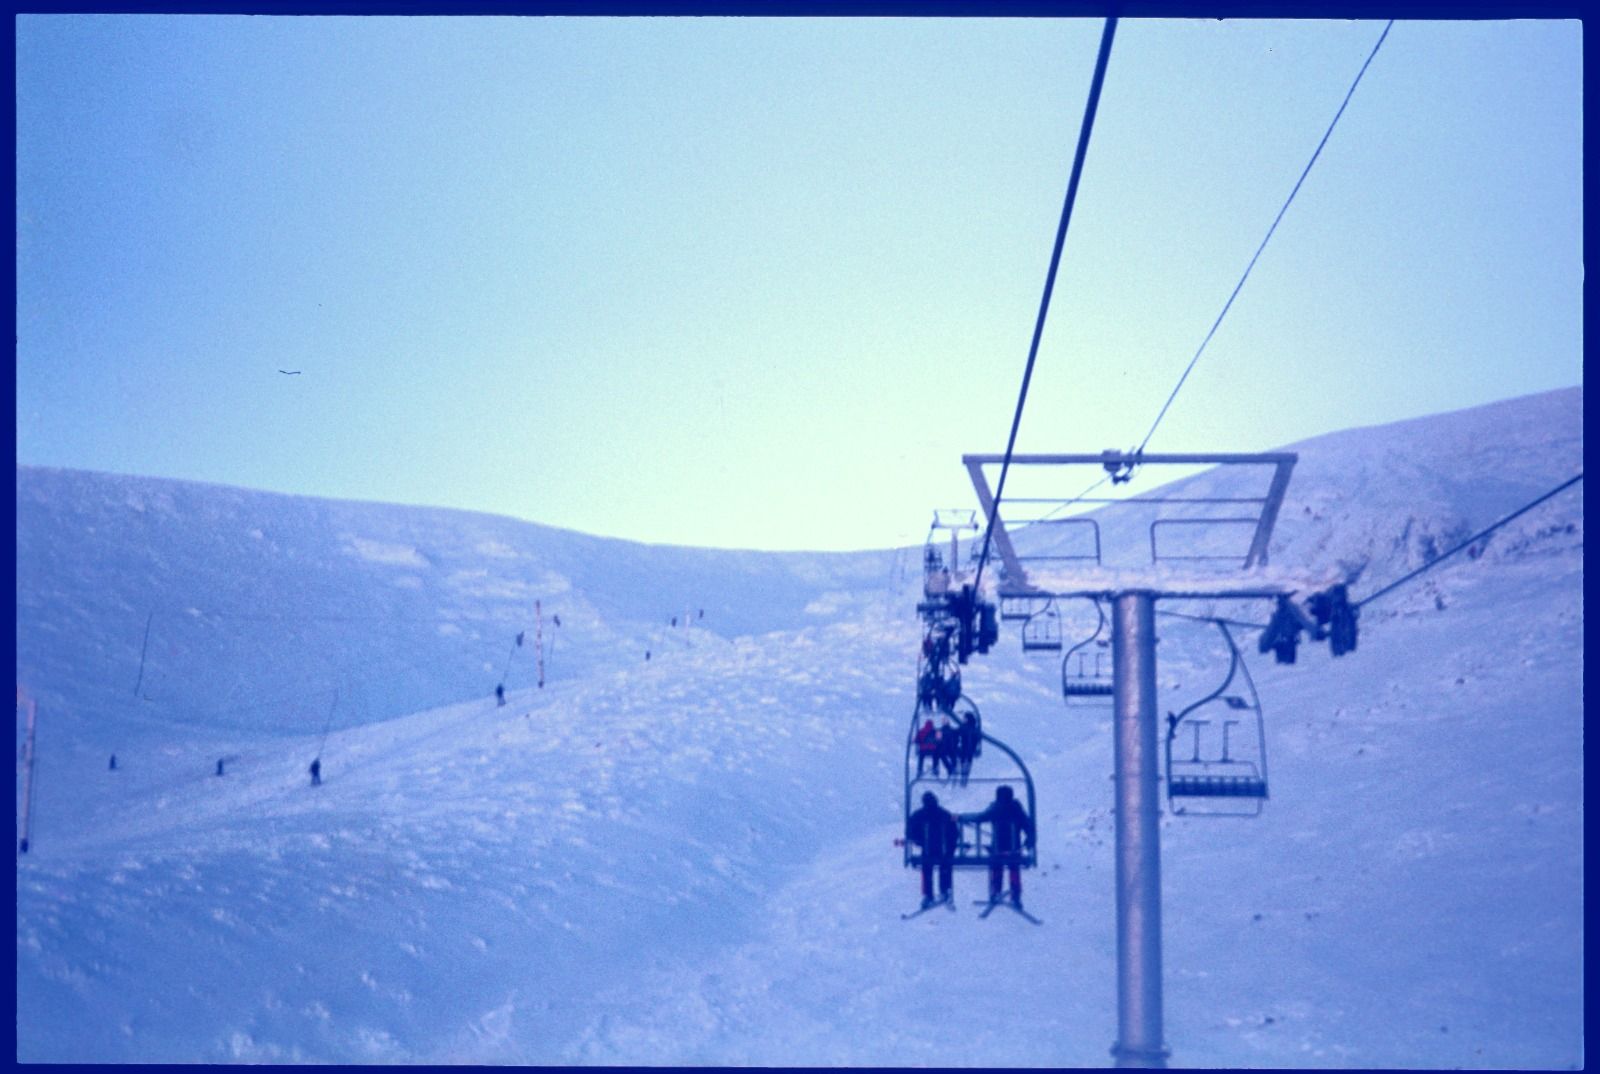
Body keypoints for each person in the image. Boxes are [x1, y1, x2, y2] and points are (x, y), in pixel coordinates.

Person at [970, 785, 1034, 905]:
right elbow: (1028, 825)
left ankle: (995, 892)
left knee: (996, 868)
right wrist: (1029, 841)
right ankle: (1015, 895)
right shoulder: (1017, 809)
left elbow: (980, 817)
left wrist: (961, 817)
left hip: (998, 847)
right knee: (1014, 869)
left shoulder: (995, 808)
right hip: (1015, 847)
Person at [905, 791, 960, 908]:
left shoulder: (919, 815)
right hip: (944, 850)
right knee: (945, 866)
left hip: (928, 849)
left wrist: (919, 842)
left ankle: (928, 895)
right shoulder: (945, 814)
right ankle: (945, 890)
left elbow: (910, 832)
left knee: (926, 869)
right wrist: (951, 848)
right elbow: (955, 833)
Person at [957, 710, 981, 786]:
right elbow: (978, 738)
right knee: (968, 762)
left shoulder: (963, 727)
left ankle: (963, 778)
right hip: (971, 749)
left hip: (964, 748)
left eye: (964, 718)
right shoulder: (975, 728)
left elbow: (957, 733)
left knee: (963, 762)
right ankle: (965, 779)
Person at [936, 715, 960, 779]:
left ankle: (950, 768)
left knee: (943, 755)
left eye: (944, 721)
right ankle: (952, 768)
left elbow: (938, 740)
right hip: (950, 748)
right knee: (951, 754)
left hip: (946, 748)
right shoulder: (951, 730)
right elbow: (956, 739)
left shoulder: (940, 730)